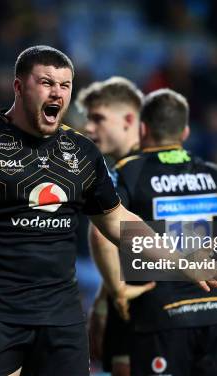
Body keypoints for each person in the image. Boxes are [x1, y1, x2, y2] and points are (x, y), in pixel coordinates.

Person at [0, 45, 217, 376]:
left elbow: (119, 220)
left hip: (61, 318)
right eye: (47, 83)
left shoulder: (81, 152)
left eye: (65, 85)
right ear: (19, 87)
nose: (58, 93)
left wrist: (183, 263)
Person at [95, 88, 217, 376]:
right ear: (184, 132)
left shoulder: (127, 173)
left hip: (160, 315)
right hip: (213, 313)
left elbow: (102, 232)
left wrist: (117, 289)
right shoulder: (215, 174)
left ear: (143, 129)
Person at [75, 76, 142, 376]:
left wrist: (114, 295)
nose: (89, 128)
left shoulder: (125, 175)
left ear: (128, 119)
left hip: (138, 304)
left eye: (98, 119)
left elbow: (104, 239)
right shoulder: (173, 166)